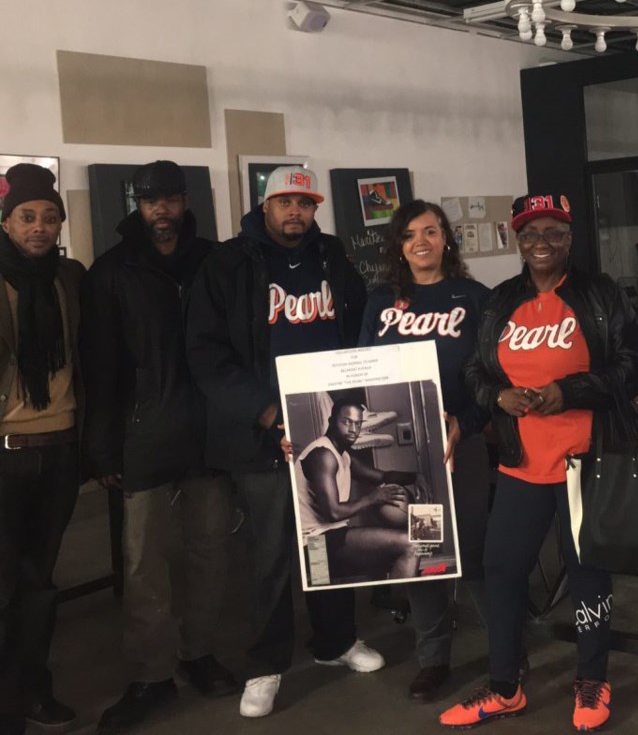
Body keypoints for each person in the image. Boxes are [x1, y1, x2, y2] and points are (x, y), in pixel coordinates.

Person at [440, 192, 638, 733]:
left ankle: (591, 677)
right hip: (520, 461)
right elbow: (475, 372)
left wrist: (571, 390)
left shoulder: (598, 294)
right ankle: (505, 687)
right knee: (503, 570)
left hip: (587, 459)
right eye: (530, 233)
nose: (541, 243)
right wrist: (496, 398)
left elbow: (633, 366)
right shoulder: (501, 300)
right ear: (516, 239)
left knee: (587, 575)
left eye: (554, 232)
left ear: (570, 239)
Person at [185, 166, 383, 720]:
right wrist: (267, 412)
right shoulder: (227, 263)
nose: (295, 212)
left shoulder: (333, 259)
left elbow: (356, 335)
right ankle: (265, 665)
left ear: (315, 207)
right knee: (271, 553)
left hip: (326, 421)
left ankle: (336, 642)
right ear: (264, 205)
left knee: (329, 536)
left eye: (305, 202)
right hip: (264, 432)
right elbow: (205, 353)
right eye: (285, 202)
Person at [80, 160, 238, 732]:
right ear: (137, 205)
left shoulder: (216, 262)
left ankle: (199, 653)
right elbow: (99, 367)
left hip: (209, 432)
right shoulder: (112, 270)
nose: (161, 211)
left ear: (184, 201)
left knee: (209, 550)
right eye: (150, 201)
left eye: (169, 199)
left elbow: (238, 344)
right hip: (144, 433)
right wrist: (101, 448)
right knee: (144, 560)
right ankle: (151, 673)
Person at [357, 199, 490, 701]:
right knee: (425, 553)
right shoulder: (380, 301)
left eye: (431, 231)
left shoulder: (474, 297)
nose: (421, 242)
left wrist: (468, 422)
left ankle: (505, 650)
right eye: (410, 234)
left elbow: (491, 377)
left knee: (475, 553)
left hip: (463, 446)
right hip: (406, 455)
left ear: (446, 239)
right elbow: (362, 373)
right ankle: (433, 657)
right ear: (399, 246)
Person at [0, 164, 84, 735]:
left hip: (59, 452)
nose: (39, 227)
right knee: (8, 584)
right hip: (5, 453)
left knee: (39, 584)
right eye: (28, 217)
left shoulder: (70, 279)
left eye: (50, 217)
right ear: (6, 223)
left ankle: (31, 689)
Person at [296, 398, 418, 581]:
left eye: (358, 423)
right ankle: (393, 598)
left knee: (340, 603)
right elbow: (333, 513)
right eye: (346, 422)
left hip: (333, 537)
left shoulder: (343, 455)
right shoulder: (323, 455)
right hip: (315, 544)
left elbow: (383, 476)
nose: (354, 430)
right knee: (412, 546)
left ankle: (384, 595)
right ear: (331, 421)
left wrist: (417, 477)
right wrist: (372, 498)